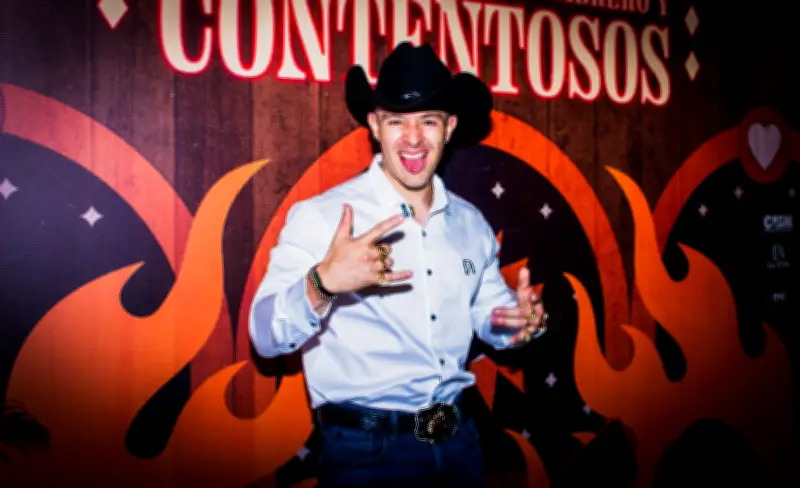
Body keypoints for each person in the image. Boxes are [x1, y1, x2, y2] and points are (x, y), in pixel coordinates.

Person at [248, 42, 548, 488]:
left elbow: (490, 316)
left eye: (428, 121)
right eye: (396, 121)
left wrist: (518, 322)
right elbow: (264, 335)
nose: (413, 138)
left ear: (449, 127)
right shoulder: (323, 217)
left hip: (461, 444)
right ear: (374, 125)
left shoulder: (471, 224)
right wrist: (321, 284)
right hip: (365, 456)